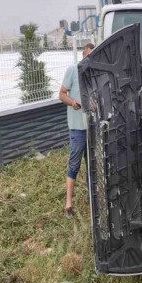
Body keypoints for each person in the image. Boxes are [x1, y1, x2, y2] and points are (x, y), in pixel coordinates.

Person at [59, 43, 94, 218]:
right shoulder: (73, 70)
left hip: (92, 128)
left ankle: (92, 199)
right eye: (88, 55)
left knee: (92, 165)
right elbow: (62, 94)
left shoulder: (95, 74)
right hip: (78, 129)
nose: (90, 59)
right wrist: (72, 102)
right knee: (74, 165)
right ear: (82, 55)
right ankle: (68, 205)